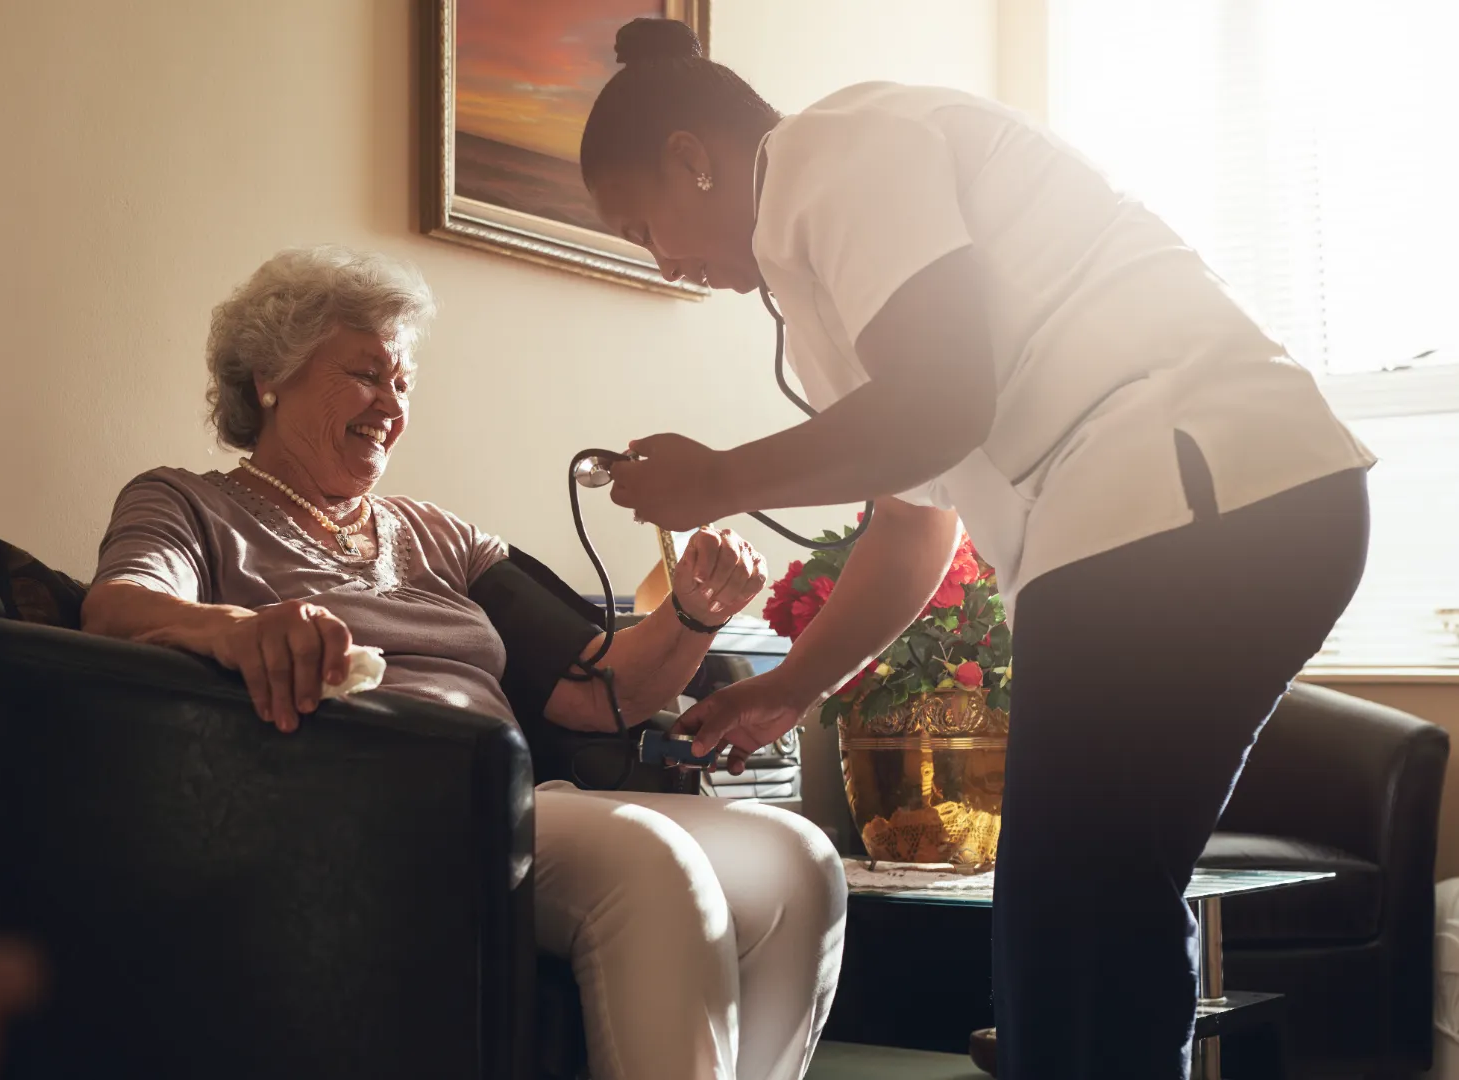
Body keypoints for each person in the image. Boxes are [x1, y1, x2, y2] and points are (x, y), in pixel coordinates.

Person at [580, 18, 1375, 1080]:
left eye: (644, 228)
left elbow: (946, 403)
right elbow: (916, 523)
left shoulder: (838, 148)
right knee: (1088, 917)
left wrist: (720, 476)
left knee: (1071, 927)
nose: (667, 263)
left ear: (694, 157)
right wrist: (793, 690)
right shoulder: (820, 277)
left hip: (1185, 493)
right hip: (1225, 507)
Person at [79, 246, 847, 1080]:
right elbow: (116, 608)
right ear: (271, 375)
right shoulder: (189, 502)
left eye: (403, 382)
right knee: (649, 861)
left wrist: (694, 614)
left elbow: (596, 693)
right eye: (368, 373)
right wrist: (240, 628)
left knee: (796, 861)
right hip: (346, 806)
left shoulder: (442, 536)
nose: (391, 404)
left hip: (503, 797)